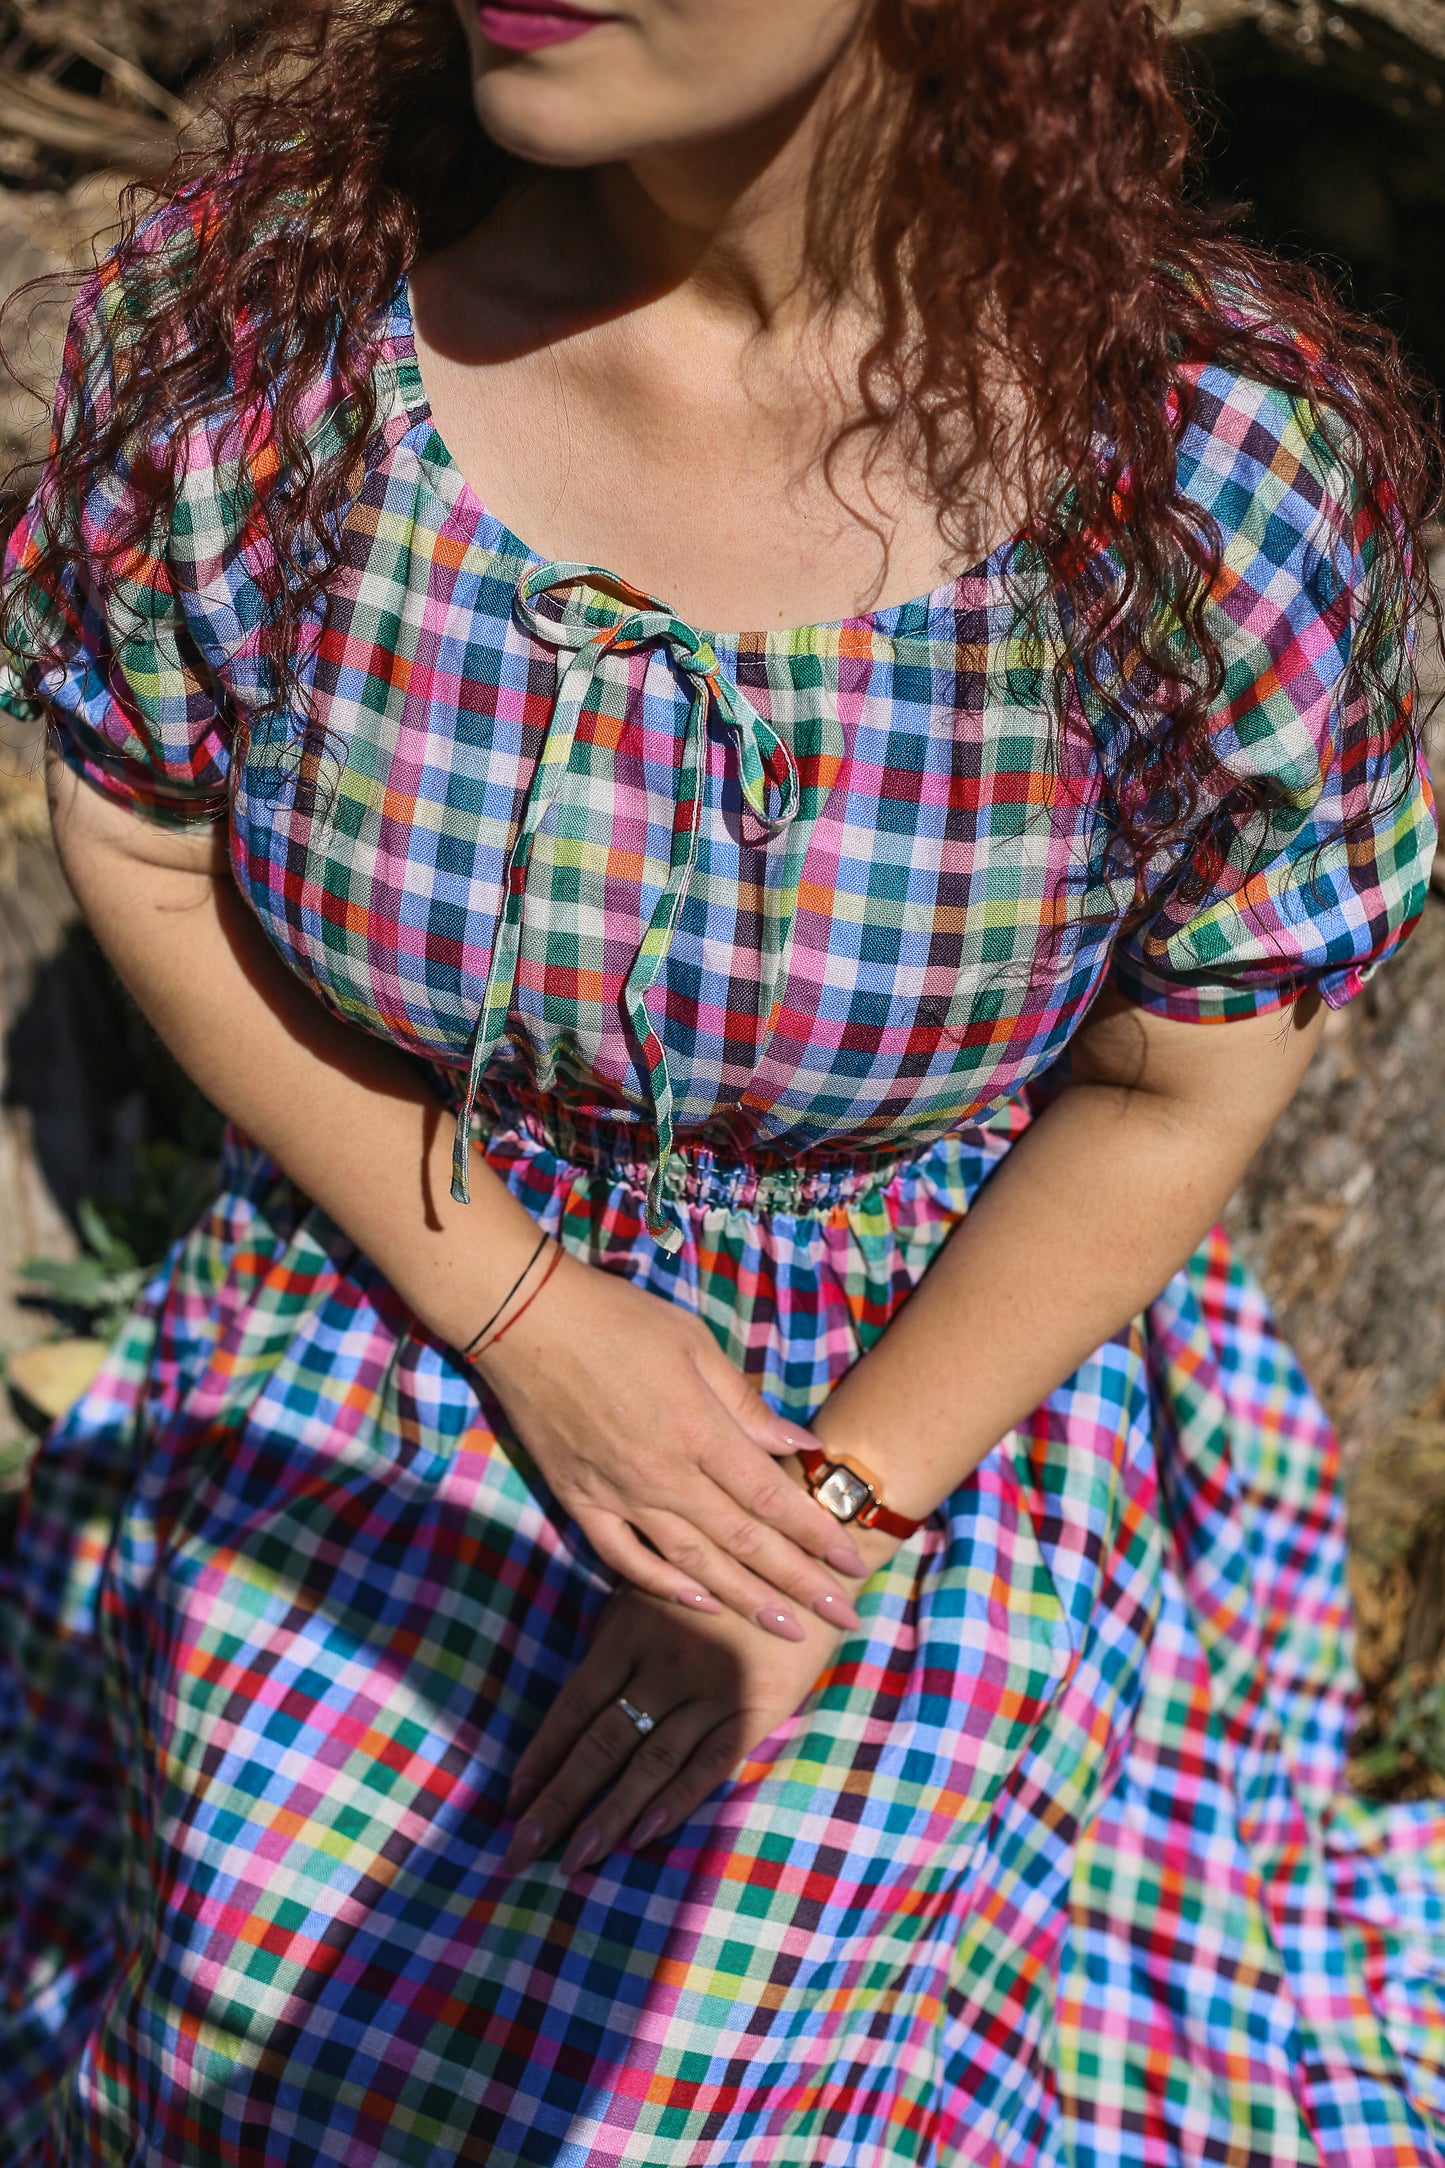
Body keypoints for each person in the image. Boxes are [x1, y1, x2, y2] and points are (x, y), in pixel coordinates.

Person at [0, 0, 1441, 2158]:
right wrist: (527, 1311)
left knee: (671, 2106)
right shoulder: (291, 336)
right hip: (385, 1295)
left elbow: (1173, 1094)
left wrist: (823, 1528)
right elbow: (133, 833)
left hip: (917, 1401)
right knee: (254, 2031)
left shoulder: (1202, 471)